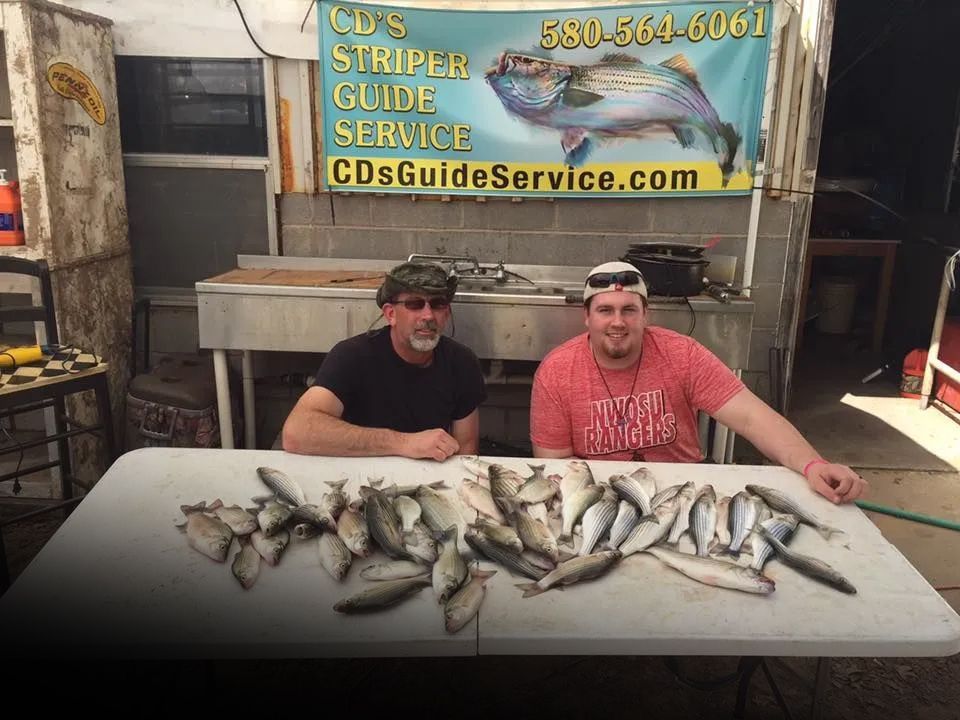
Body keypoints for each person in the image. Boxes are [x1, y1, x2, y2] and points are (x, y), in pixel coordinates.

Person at [529, 260, 867, 504]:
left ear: (647, 315)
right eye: (605, 310)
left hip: (683, 493)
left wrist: (813, 465)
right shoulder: (558, 371)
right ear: (586, 317)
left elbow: (752, 417)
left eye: (629, 310)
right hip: (598, 498)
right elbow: (559, 468)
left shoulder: (682, 354)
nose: (618, 322)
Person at [282, 261, 486, 461]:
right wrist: (404, 443)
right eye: (414, 304)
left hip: (430, 482)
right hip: (358, 477)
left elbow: (466, 452)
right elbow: (296, 432)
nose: (428, 315)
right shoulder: (353, 356)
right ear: (391, 314)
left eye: (437, 304)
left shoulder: (461, 362)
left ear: (447, 313)